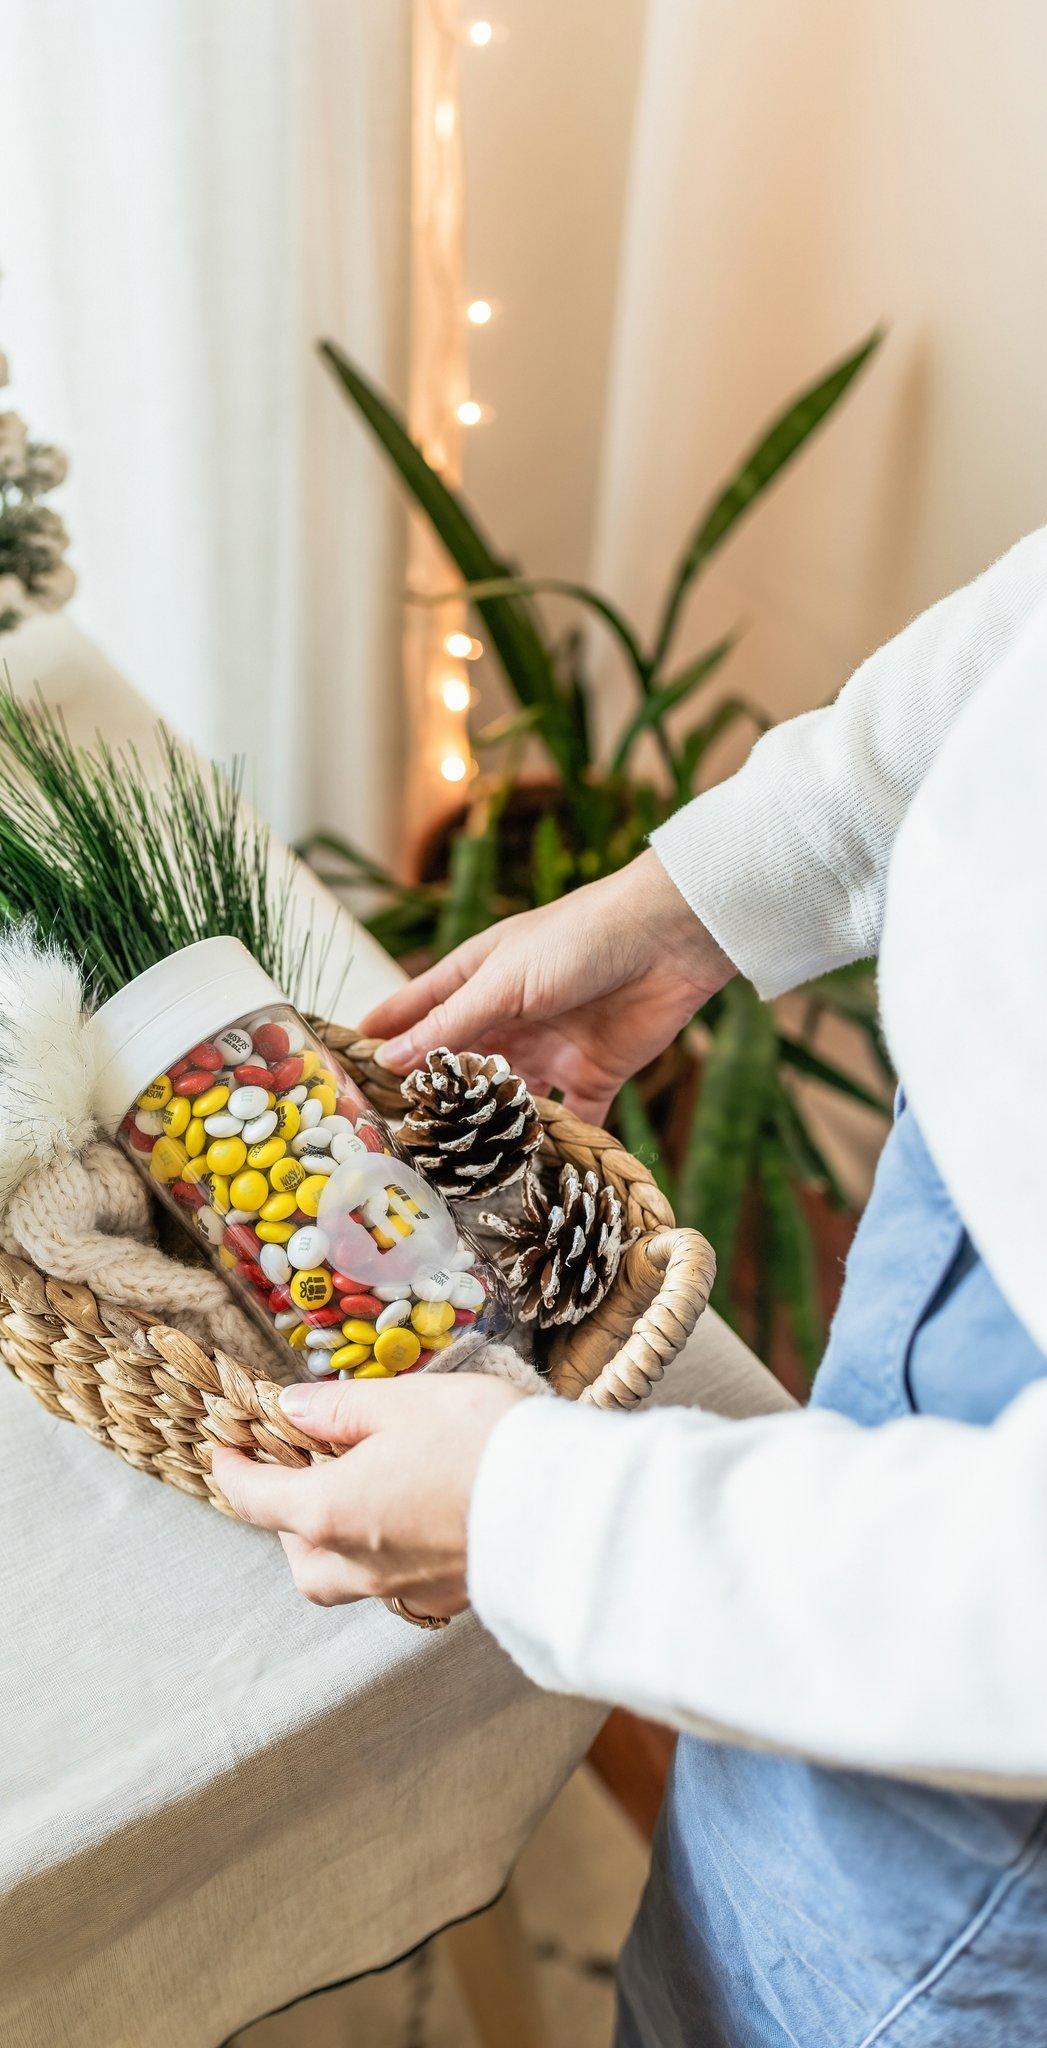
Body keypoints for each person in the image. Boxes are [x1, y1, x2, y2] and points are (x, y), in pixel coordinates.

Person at [212, 529, 1047, 2046]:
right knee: (717, 1937)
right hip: (970, 1221)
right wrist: (694, 904)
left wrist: (536, 1517)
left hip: (996, 1713)